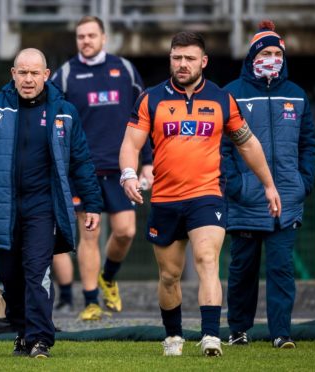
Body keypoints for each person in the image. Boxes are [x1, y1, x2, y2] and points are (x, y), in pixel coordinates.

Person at [119, 31, 281, 357]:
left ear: (203, 61)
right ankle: (174, 336)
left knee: (208, 259)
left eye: (189, 58)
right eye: (176, 58)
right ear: (170, 59)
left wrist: (268, 184)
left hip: (207, 193)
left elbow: (247, 143)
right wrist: (128, 175)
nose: (182, 64)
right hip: (165, 198)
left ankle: (210, 337)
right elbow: (131, 143)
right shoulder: (151, 98)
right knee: (169, 276)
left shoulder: (222, 99)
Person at [0, 48, 102, 358]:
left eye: (35, 73)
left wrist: (93, 203)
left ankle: (41, 339)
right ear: (13, 74)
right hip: (1, 206)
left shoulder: (65, 112)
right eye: (23, 72)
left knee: (36, 273)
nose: (28, 79)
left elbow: (81, 162)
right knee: (7, 276)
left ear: (46, 75)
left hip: (43, 207)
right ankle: (22, 331)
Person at [221, 20, 315, 349]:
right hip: (245, 199)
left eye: (277, 52)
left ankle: (281, 333)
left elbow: (309, 145)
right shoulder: (232, 93)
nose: (272, 57)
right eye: (266, 52)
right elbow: (222, 148)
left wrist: (302, 183)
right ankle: (238, 330)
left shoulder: (297, 96)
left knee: (281, 269)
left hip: (287, 199)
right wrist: (235, 185)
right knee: (242, 268)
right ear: (252, 57)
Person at [51, 15, 153, 320]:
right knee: (89, 236)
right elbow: (55, 120)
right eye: (81, 36)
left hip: (122, 168)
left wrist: (147, 161)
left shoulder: (124, 69)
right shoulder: (66, 74)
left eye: (91, 35)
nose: (86, 40)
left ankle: (108, 278)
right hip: (83, 171)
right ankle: (91, 301)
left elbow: (143, 119)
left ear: (104, 37)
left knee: (125, 231)